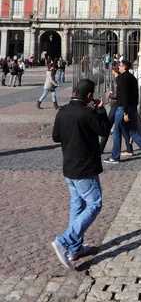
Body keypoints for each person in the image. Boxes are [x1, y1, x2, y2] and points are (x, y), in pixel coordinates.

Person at [51, 79, 110, 270]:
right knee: (94, 204)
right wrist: (100, 110)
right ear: (90, 96)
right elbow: (104, 130)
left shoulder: (63, 111)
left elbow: (56, 137)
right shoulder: (88, 113)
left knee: (78, 204)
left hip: (69, 166)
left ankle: (75, 248)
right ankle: (64, 240)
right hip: (85, 168)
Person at [104, 60, 141, 164]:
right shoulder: (132, 78)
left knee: (116, 132)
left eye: (120, 66)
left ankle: (115, 157)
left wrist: (125, 112)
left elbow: (124, 96)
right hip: (132, 107)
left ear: (125, 67)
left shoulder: (123, 79)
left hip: (123, 108)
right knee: (132, 131)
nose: (118, 67)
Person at [99, 66, 133, 156]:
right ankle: (129, 149)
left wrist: (110, 94)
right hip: (119, 106)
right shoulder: (122, 80)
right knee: (123, 128)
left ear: (114, 71)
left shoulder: (117, 81)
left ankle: (101, 147)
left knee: (108, 127)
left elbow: (117, 95)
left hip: (115, 106)